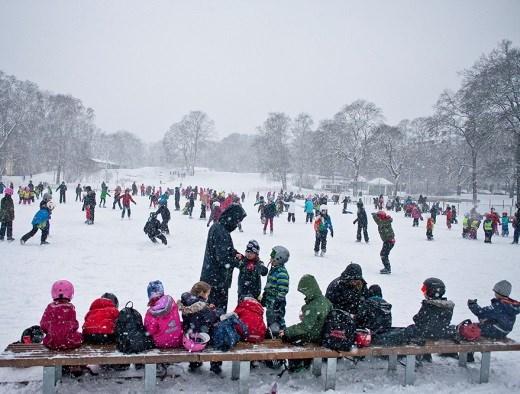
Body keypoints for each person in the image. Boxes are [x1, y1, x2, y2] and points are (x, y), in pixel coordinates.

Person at [200, 204, 246, 314]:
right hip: (216, 280)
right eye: (237, 220)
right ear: (231, 217)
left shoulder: (219, 227)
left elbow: (227, 249)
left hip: (213, 278)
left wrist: (236, 254)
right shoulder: (220, 231)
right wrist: (239, 263)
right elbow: (222, 258)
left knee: (211, 311)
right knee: (216, 313)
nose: (236, 224)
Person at [177, 281, 219, 371]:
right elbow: (210, 319)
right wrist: (213, 310)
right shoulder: (202, 307)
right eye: (207, 294)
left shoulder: (186, 302)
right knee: (217, 334)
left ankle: (194, 364)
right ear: (201, 293)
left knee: (195, 328)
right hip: (199, 338)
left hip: (187, 336)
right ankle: (216, 366)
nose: (208, 296)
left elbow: (194, 316)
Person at [281, 274, 332, 344]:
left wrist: (287, 332)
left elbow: (304, 327)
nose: (304, 294)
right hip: (325, 335)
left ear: (309, 290)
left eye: (304, 291)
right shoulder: (326, 301)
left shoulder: (312, 306)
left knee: (288, 339)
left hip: (314, 336)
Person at [40, 280, 83, 350]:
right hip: (70, 341)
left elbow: (43, 325)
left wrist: (52, 331)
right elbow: (74, 325)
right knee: (80, 336)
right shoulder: (70, 307)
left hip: (51, 342)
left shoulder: (50, 307)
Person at [144, 280, 183, 349]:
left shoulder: (151, 313)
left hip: (161, 343)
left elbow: (150, 331)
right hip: (177, 340)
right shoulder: (172, 303)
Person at [261, 246, 290, 337]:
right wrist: (265, 295)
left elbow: (283, 289)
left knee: (278, 319)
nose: (271, 259)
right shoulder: (274, 270)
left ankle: (282, 335)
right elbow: (270, 284)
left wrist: (279, 300)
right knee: (270, 319)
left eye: (273, 257)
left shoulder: (281, 272)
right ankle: (273, 334)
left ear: (279, 258)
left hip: (277, 303)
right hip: (271, 302)